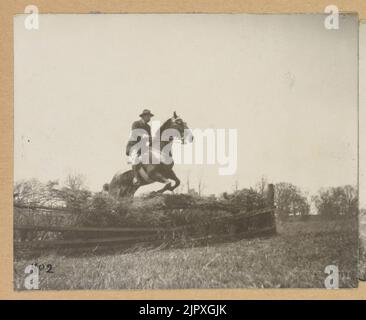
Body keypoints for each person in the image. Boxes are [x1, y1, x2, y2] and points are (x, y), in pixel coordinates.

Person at [125, 109, 154, 185]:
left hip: (143, 147)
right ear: (144, 116)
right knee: (135, 156)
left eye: (150, 117)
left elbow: (150, 138)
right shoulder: (136, 124)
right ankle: (135, 177)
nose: (150, 118)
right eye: (148, 116)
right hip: (133, 145)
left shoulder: (148, 127)